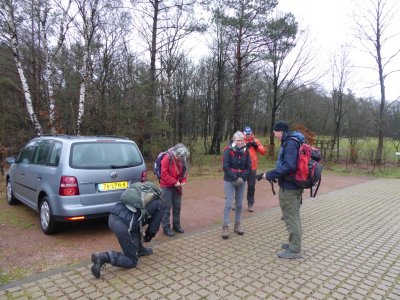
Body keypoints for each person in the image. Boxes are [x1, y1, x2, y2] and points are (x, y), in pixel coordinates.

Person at [90, 195, 165, 278]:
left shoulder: (143, 194)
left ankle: (140, 250)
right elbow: (154, 226)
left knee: (136, 226)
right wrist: (149, 236)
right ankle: (104, 257)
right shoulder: (160, 205)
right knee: (132, 261)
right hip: (122, 226)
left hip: (113, 217)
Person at [260, 120, 305, 259]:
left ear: (281, 131)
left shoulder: (290, 143)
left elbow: (289, 166)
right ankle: (294, 243)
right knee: (295, 216)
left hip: (290, 188)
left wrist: (270, 174)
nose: (274, 134)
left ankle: (294, 249)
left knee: (290, 217)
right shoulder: (294, 141)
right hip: (295, 185)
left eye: (275, 131)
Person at [222, 131, 252, 239]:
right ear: (234, 140)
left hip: (242, 179)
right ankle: (225, 226)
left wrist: (243, 178)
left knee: (239, 204)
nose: (239, 142)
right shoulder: (228, 150)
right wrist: (234, 178)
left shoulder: (246, 151)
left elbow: (249, 167)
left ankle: (237, 224)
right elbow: (225, 166)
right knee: (229, 203)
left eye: (241, 140)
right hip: (229, 179)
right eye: (237, 140)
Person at [160, 143, 189, 237]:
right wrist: (174, 182)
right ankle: (166, 227)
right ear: (175, 153)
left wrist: (183, 180)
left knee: (177, 206)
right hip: (166, 186)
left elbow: (184, 172)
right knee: (166, 207)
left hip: (177, 186)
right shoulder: (167, 158)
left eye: (181, 157)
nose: (179, 159)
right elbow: (163, 174)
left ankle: (176, 225)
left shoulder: (182, 159)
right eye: (178, 157)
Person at [243, 126, 267, 212]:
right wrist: (245, 146)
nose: (248, 136)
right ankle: (236, 202)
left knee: (251, 186)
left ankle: (250, 203)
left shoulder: (256, 141)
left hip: (252, 168)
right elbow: (234, 149)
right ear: (244, 134)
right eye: (246, 134)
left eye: (249, 134)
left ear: (252, 133)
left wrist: (256, 146)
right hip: (242, 167)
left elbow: (263, 151)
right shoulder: (240, 140)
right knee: (238, 185)